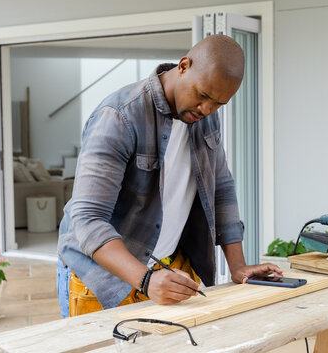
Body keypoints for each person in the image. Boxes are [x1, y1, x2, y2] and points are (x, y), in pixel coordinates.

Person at [56, 34, 282, 317]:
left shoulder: (205, 117)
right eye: (203, 96)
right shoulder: (119, 116)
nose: (207, 110)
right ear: (184, 66)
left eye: (218, 104)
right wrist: (146, 279)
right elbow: (88, 219)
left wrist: (237, 265)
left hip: (168, 267)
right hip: (104, 278)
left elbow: (222, 188)